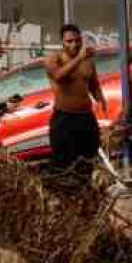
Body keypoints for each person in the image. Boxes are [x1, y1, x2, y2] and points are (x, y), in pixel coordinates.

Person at [43, 24, 106, 178]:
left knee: (88, 158)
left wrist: (101, 99)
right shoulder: (54, 59)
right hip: (64, 117)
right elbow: (58, 76)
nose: (74, 45)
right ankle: (64, 195)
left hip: (85, 117)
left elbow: (93, 83)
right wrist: (79, 58)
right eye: (69, 41)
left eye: (77, 41)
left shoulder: (87, 60)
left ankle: (85, 194)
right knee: (63, 162)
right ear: (62, 42)